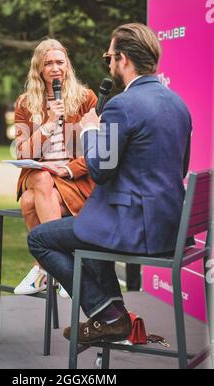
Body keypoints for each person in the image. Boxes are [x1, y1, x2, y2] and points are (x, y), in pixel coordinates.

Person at [27, 23, 192, 343]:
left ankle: (107, 315)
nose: (110, 65)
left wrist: (91, 131)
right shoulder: (178, 104)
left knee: (42, 239)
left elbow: (100, 171)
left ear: (125, 59)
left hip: (136, 229)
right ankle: (113, 315)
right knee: (86, 230)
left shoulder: (121, 105)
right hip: (171, 228)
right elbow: (180, 168)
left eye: (110, 58)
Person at [13, 38, 97, 296]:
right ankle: (66, 269)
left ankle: (43, 268)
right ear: (39, 68)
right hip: (37, 175)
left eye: (60, 62)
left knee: (29, 202)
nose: (55, 68)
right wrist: (49, 123)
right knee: (40, 177)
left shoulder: (86, 99)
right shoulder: (25, 104)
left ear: (68, 65)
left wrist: (69, 169)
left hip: (72, 180)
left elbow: (98, 151)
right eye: (48, 63)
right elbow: (22, 152)